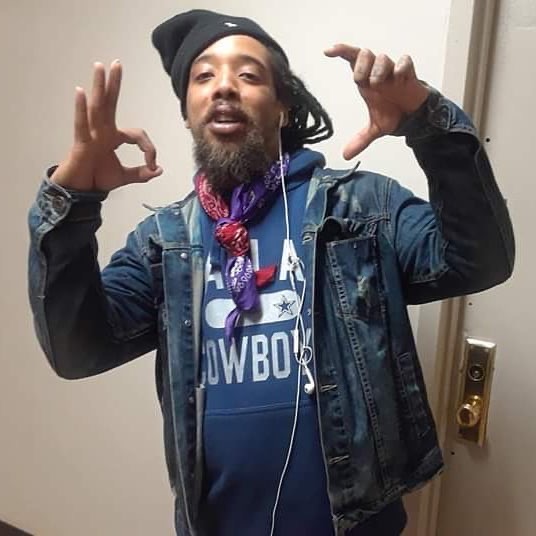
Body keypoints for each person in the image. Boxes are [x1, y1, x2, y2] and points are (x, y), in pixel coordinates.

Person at [27, 8, 514, 536]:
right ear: (187, 114)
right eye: (203, 76)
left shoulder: (361, 209)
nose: (224, 86)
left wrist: (427, 125)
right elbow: (77, 350)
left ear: (283, 107)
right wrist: (73, 202)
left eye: (249, 74)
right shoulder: (164, 243)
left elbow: (477, 260)